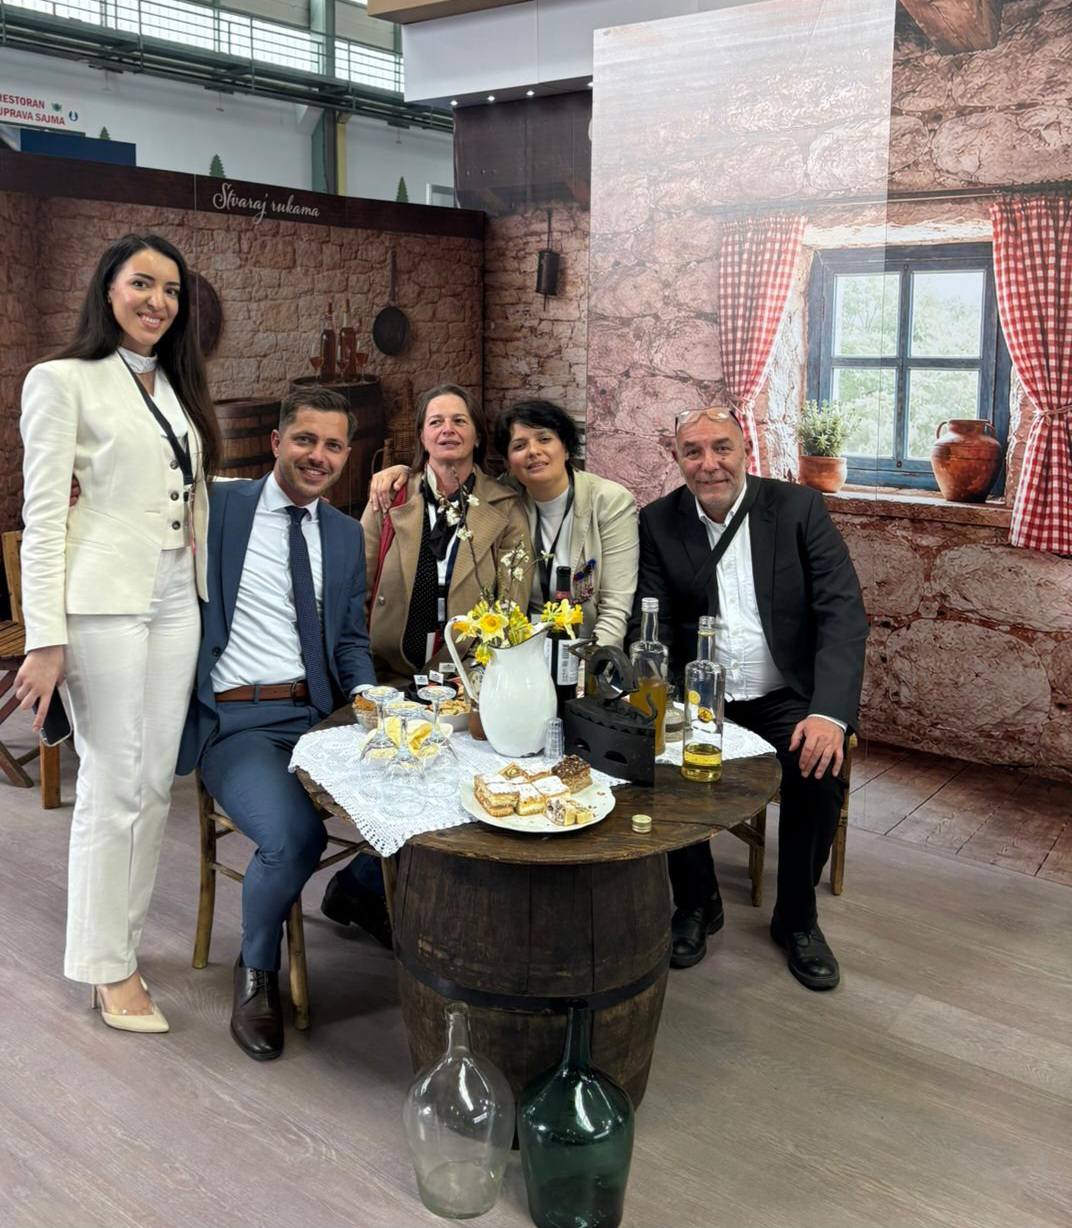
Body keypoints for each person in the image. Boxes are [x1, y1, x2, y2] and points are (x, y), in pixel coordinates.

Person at [14, 233, 220, 1032]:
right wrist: (44, 638)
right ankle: (106, 968)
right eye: (142, 283)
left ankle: (121, 943)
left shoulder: (175, 384)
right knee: (112, 780)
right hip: (100, 600)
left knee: (155, 782)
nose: (157, 302)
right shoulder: (61, 380)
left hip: (176, 595)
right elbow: (42, 517)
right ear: (108, 289)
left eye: (171, 290)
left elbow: (188, 490)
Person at [629, 406, 868, 991]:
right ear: (677, 458)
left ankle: (797, 918)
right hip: (700, 694)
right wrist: (657, 695)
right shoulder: (658, 521)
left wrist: (828, 713)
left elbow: (842, 613)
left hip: (783, 693)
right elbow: (650, 619)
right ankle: (697, 903)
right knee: (654, 767)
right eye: (693, 451)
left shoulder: (798, 509)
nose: (709, 463)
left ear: (745, 451)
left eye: (722, 448)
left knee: (817, 770)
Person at [176, 387, 376, 1061]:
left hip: (318, 717)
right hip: (235, 722)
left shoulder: (344, 535)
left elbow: (349, 640)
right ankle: (256, 971)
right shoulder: (219, 507)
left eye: (333, 445)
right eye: (305, 440)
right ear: (276, 442)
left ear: (345, 455)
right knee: (293, 837)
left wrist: (369, 697)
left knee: (421, 788)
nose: (318, 456)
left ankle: (370, 901)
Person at [318, 384, 530, 944]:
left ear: (477, 434)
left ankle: (370, 887)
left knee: (454, 784)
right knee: (400, 780)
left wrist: (480, 681)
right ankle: (382, 892)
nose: (447, 429)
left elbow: (512, 607)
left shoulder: (506, 509)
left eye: (459, 420)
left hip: (463, 680)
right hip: (389, 672)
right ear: (422, 435)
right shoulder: (391, 496)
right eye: (436, 421)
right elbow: (358, 581)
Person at [369, 398, 639, 646]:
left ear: (566, 448)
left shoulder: (609, 502)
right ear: (509, 462)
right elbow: (444, 475)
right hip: (523, 650)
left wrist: (587, 668)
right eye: (519, 446)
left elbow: (614, 611)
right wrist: (403, 472)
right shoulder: (502, 500)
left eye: (544, 439)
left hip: (587, 649)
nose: (533, 451)